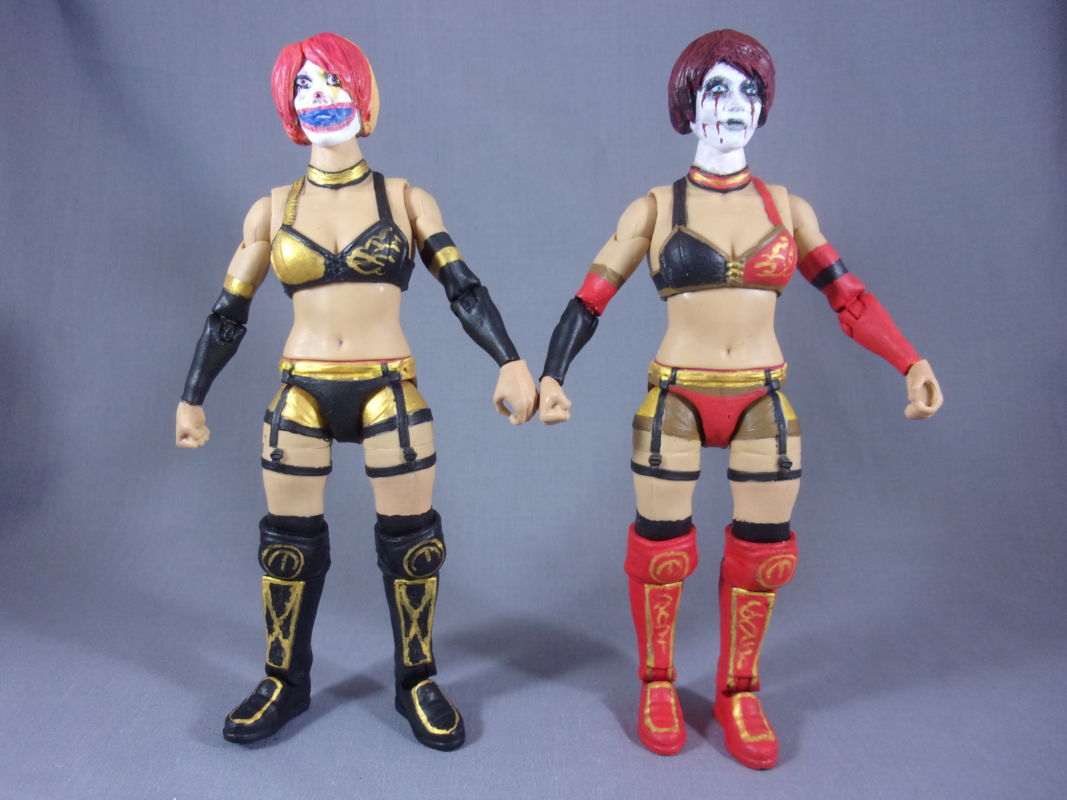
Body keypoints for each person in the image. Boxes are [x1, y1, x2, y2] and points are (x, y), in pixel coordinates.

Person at [538, 29, 942, 769]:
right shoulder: (655, 208)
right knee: (660, 550)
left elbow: (848, 298)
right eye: (717, 88)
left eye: (749, 90)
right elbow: (589, 299)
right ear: (687, 103)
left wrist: (908, 360)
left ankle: (739, 689)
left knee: (764, 555)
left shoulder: (786, 208)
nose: (734, 105)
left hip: (762, 397)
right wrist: (552, 375)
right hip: (676, 397)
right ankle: (657, 682)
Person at [175, 32, 537, 751]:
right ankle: (283, 679)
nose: (320, 98)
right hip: (301, 388)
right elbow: (228, 313)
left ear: (363, 93)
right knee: (286, 543)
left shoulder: (404, 199)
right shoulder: (271, 208)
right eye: (304, 87)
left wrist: (510, 360)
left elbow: (462, 288)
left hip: (387, 385)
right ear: (288, 106)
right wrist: (193, 395)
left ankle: (417, 679)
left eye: (333, 83)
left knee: (413, 542)